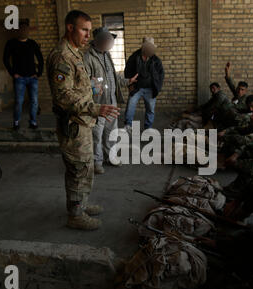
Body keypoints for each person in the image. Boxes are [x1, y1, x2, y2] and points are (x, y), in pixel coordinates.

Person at [46, 10, 120, 231]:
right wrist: (95, 108)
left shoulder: (76, 53)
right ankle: (75, 215)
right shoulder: (62, 56)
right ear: (70, 28)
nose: (89, 35)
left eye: (89, 31)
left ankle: (82, 204)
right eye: (84, 30)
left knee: (86, 167)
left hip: (83, 122)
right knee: (78, 170)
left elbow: (79, 87)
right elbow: (63, 96)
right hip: (73, 125)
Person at [84, 27, 138, 174]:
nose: (110, 42)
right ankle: (97, 162)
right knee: (97, 134)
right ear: (98, 41)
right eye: (107, 39)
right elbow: (84, 82)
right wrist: (94, 85)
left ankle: (110, 157)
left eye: (110, 39)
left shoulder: (107, 55)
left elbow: (112, 77)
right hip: (98, 104)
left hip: (111, 101)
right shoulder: (88, 57)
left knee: (111, 132)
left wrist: (127, 81)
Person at [3, 19, 44, 130]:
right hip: (19, 78)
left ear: (28, 31)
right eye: (21, 29)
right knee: (18, 102)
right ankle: (16, 122)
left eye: (26, 29)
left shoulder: (32, 43)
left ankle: (33, 122)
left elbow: (40, 59)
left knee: (34, 101)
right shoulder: (11, 43)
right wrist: (13, 74)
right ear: (18, 31)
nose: (24, 31)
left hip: (32, 78)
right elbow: (5, 59)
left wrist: (38, 73)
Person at [124, 37, 165, 132]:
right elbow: (127, 71)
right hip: (137, 87)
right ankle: (128, 125)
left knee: (150, 109)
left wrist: (157, 87)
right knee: (130, 106)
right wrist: (130, 85)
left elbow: (161, 74)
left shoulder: (156, 60)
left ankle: (148, 127)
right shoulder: (134, 57)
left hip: (150, 89)